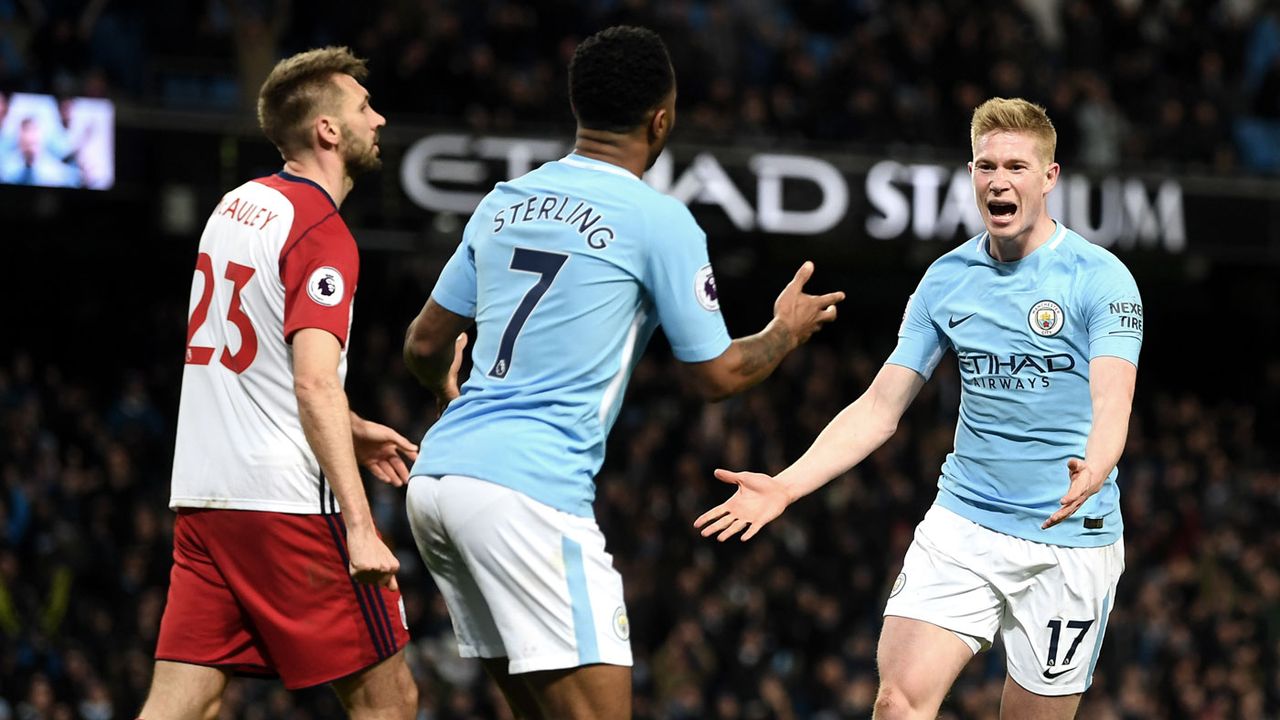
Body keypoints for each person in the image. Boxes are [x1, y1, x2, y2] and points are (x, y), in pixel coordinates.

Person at [400, 25, 844, 720]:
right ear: (660, 119)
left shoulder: (503, 202)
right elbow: (715, 376)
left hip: (438, 485)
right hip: (530, 496)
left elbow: (426, 344)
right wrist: (784, 333)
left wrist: (444, 394)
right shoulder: (657, 220)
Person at [697, 97, 1143, 719]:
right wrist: (785, 487)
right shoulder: (946, 279)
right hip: (964, 522)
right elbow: (880, 407)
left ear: (1050, 177)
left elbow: (1112, 398)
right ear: (971, 175)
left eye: (1016, 166)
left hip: (1070, 541)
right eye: (986, 166)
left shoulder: (1101, 279)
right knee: (897, 700)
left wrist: (1094, 467)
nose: (999, 180)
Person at [140, 47, 425, 720]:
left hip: (206, 497)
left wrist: (349, 431)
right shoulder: (322, 231)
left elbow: (253, 362)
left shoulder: (234, 206)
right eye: (363, 107)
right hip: (287, 505)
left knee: (184, 704)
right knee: (391, 701)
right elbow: (314, 386)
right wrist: (359, 525)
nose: (378, 118)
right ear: (327, 131)